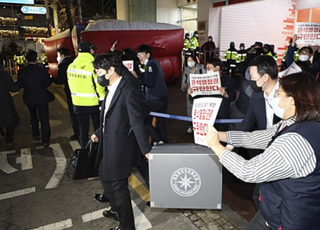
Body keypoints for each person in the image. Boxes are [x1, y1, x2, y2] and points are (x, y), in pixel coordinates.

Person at [206, 72, 320, 230]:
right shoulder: (300, 123)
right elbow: (259, 138)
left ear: (292, 100)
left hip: (289, 219)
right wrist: (221, 135)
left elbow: (249, 171)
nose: (274, 97)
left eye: (279, 93)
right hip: (275, 209)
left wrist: (216, 146)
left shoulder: (294, 141)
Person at [91, 53, 151, 230]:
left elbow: (136, 121)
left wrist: (146, 149)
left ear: (111, 71)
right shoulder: (110, 89)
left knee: (119, 188)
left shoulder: (128, 91)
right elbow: (108, 117)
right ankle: (117, 210)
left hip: (119, 147)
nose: (97, 76)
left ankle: (126, 226)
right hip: (107, 143)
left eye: (99, 71)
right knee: (103, 173)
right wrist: (98, 133)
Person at [67, 41, 106, 148]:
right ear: (88, 50)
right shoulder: (93, 65)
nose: (94, 51)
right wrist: (103, 100)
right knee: (98, 128)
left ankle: (84, 152)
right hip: (93, 104)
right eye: (92, 49)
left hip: (78, 104)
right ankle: (98, 151)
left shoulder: (71, 66)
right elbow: (99, 85)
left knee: (83, 130)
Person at [16, 50, 54, 148]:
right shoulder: (42, 70)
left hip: (29, 97)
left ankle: (35, 134)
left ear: (26, 59)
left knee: (33, 116)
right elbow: (48, 83)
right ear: (36, 58)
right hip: (42, 97)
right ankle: (46, 140)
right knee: (44, 119)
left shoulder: (22, 71)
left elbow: (19, 85)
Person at [188, 57, 236, 131]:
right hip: (207, 115)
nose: (207, 70)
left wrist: (226, 94)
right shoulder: (202, 81)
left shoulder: (229, 81)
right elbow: (195, 99)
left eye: (209, 68)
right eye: (207, 68)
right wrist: (191, 93)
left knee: (221, 138)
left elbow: (233, 97)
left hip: (222, 117)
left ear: (217, 68)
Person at [137, 44, 169, 144]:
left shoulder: (151, 64)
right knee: (161, 123)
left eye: (141, 55)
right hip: (163, 98)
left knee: (143, 120)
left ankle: (158, 140)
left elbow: (150, 83)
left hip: (155, 100)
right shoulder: (155, 63)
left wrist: (138, 77)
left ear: (148, 54)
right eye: (138, 55)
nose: (139, 57)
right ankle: (164, 143)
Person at [52, 47, 79, 140]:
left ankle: (77, 133)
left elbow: (60, 80)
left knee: (73, 113)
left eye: (58, 56)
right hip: (81, 90)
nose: (57, 58)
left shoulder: (63, 65)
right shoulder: (76, 61)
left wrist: (51, 78)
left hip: (71, 92)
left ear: (62, 55)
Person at [181, 53, 205, 133]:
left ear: (195, 61)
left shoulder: (201, 69)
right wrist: (184, 87)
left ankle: (199, 126)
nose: (190, 62)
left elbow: (206, 80)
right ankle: (191, 125)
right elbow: (183, 86)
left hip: (200, 94)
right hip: (190, 95)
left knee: (200, 110)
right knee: (190, 110)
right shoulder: (186, 72)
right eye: (188, 60)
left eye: (191, 60)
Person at [0, 64, 19, 150]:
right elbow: (13, 88)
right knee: (10, 122)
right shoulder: (3, 75)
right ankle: (9, 141)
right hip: (4, 102)